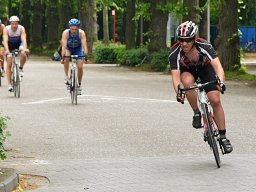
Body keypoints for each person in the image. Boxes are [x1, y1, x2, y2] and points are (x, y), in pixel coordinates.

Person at [169, 21, 233, 154]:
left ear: (194, 38)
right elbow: (175, 77)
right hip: (188, 71)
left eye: (187, 40)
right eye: (181, 40)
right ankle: (197, 112)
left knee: (215, 100)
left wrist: (221, 82)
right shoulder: (175, 52)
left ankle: (223, 137)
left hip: (206, 69)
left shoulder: (204, 45)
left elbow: (218, 67)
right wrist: (179, 92)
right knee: (187, 82)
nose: (184, 43)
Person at [61, 18, 88, 95]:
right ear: (69, 28)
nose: (74, 31)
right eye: (72, 29)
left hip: (78, 49)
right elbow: (63, 46)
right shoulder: (66, 33)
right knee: (66, 56)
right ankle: (66, 76)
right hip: (68, 48)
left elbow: (84, 45)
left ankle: (79, 85)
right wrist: (63, 57)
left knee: (80, 67)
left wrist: (85, 56)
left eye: (75, 29)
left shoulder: (81, 33)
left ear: (78, 28)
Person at [3, 16, 29, 92]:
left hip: (18, 44)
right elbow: (5, 40)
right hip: (9, 45)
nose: (14, 25)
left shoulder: (21, 28)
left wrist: (25, 49)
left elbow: (24, 39)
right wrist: (7, 50)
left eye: (16, 24)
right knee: (9, 63)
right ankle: (9, 85)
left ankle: (20, 68)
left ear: (18, 23)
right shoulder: (6, 29)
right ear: (10, 23)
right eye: (13, 24)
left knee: (24, 54)